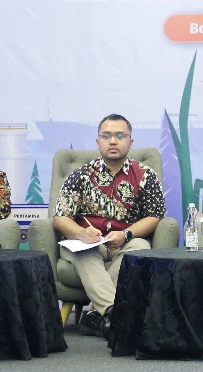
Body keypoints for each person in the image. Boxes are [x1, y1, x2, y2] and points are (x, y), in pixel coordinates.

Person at [51, 114, 165, 337]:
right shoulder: (81, 175)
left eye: (120, 136)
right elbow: (60, 218)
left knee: (141, 248)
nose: (113, 141)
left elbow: (154, 216)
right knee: (84, 252)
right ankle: (117, 315)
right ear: (98, 142)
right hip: (86, 243)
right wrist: (81, 233)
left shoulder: (146, 175)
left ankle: (97, 316)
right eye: (106, 136)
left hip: (125, 241)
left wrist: (126, 234)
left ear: (130, 142)